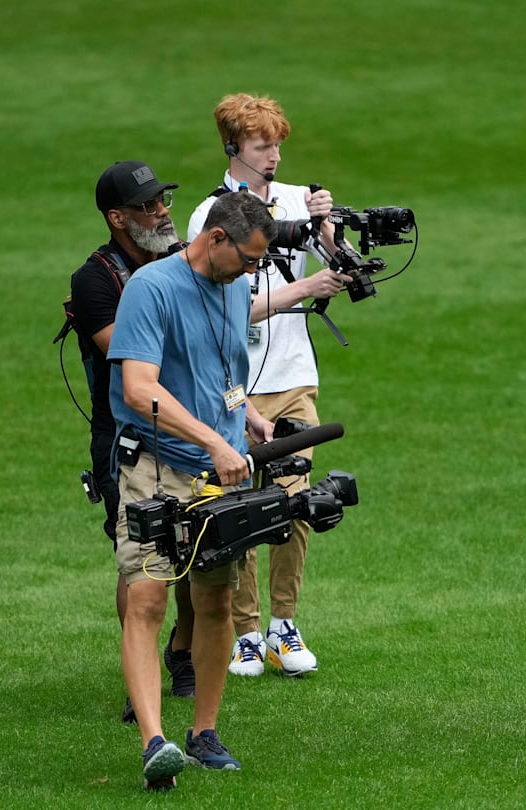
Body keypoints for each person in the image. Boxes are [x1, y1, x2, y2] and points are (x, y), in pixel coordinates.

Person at [110, 191, 277, 789]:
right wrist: (212, 439)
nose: (254, 271)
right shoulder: (150, 289)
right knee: (150, 598)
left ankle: (203, 733)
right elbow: (138, 389)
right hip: (158, 468)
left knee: (214, 601)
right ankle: (155, 741)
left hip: (221, 472)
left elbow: (221, 369)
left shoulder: (233, 285)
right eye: (251, 258)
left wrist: (249, 415)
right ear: (215, 239)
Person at [187, 93, 348, 679]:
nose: (275, 156)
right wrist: (305, 291)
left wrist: (328, 226)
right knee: (239, 509)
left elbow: (339, 263)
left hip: (293, 377)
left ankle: (283, 626)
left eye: (278, 144)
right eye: (263, 146)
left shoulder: (296, 200)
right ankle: (245, 632)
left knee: (294, 502)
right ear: (233, 148)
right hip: (234, 383)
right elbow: (224, 310)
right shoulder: (209, 216)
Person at [69, 161, 196, 721]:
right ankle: (139, 675)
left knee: (199, 546)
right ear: (117, 218)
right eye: (148, 206)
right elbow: (129, 353)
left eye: (164, 200)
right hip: (123, 434)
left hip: (193, 420)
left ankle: (183, 649)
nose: (162, 210)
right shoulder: (95, 279)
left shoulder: (183, 258)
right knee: (138, 563)